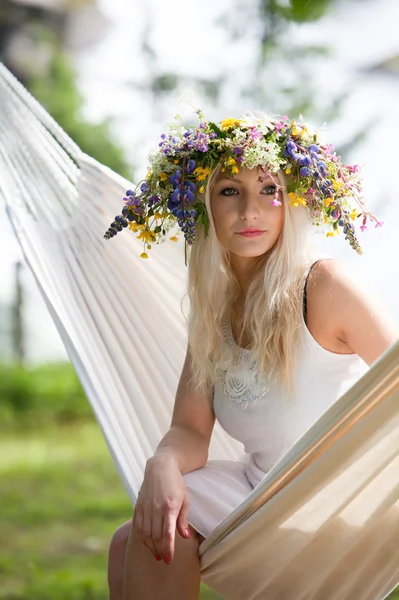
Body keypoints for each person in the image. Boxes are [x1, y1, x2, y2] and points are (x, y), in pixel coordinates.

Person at [104, 111, 398, 599]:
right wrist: (161, 464)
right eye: (228, 191)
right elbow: (191, 431)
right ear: (203, 207)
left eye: (268, 190)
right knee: (131, 539)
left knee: (165, 533)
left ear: (291, 204)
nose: (250, 211)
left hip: (333, 499)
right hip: (260, 492)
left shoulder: (323, 286)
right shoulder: (214, 313)